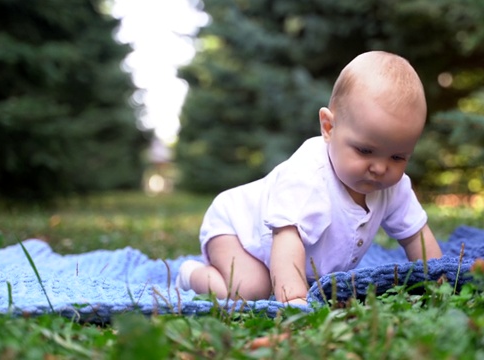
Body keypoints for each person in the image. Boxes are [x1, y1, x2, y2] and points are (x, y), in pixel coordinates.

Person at [176, 51, 443, 305]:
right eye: (365, 150)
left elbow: (416, 235)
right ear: (329, 127)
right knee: (252, 289)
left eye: (398, 157)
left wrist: (438, 281)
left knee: (322, 286)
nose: (380, 168)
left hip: (280, 250)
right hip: (235, 229)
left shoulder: (393, 186)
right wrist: (294, 299)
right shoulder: (307, 176)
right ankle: (191, 275)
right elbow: (287, 238)